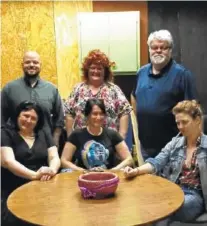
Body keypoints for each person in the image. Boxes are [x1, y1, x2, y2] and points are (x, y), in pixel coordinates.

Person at [124, 100, 207, 225]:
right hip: (174, 191)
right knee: (149, 201)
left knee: (165, 208)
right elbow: (157, 161)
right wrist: (135, 171)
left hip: (195, 196)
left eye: (184, 122)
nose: (180, 127)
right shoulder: (175, 143)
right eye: (178, 123)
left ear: (197, 120)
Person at [131, 29, 197, 159]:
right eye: (154, 47)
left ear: (170, 50)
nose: (158, 50)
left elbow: (194, 111)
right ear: (149, 49)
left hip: (173, 148)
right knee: (148, 180)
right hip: (145, 147)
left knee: (170, 180)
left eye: (163, 47)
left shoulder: (182, 75)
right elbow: (133, 96)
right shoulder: (141, 73)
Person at [1, 101, 60, 225]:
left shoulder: (43, 134)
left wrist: (52, 170)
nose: (28, 120)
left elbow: (54, 156)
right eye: (25, 116)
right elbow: (8, 161)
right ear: (17, 116)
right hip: (13, 190)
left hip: (42, 188)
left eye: (33, 118)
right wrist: (34, 175)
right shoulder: (5, 133)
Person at [64, 49, 132, 139]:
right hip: (82, 144)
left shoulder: (114, 90)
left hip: (108, 144)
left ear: (105, 72)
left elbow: (125, 112)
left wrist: (121, 138)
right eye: (93, 68)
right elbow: (69, 112)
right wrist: (71, 137)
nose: (96, 71)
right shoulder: (78, 89)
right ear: (87, 70)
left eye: (100, 68)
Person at [1, 51, 64, 146]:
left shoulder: (51, 89)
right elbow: (1, 118)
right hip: (15, 145)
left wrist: (55, 141)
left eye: (35, 62)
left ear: (40, 65)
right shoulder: (9, 89)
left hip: (45, 144)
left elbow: (59, 119)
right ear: (22, 65)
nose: (31, 65)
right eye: (28, 62)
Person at [61, 99, 133, 171]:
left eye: (101, 114)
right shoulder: (76, 135)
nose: (98, 117)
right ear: (87, 115)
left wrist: (112, 171)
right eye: (95, 114)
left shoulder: (112, 134)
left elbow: (129, 159)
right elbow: (64, 161)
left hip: (108, 178)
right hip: (84, 178)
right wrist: (82, 171)